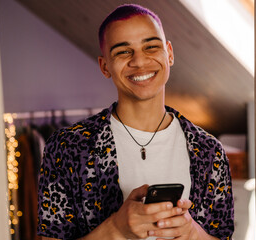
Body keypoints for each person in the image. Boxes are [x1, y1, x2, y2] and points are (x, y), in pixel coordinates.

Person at [37, 4, 234, 240]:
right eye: (123, 52)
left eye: (151, 47)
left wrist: (191, 232)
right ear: (104, 66)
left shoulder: (209, 151)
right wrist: (116, 229)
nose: (139, 61)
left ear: (169, 53)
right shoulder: (67, 147)